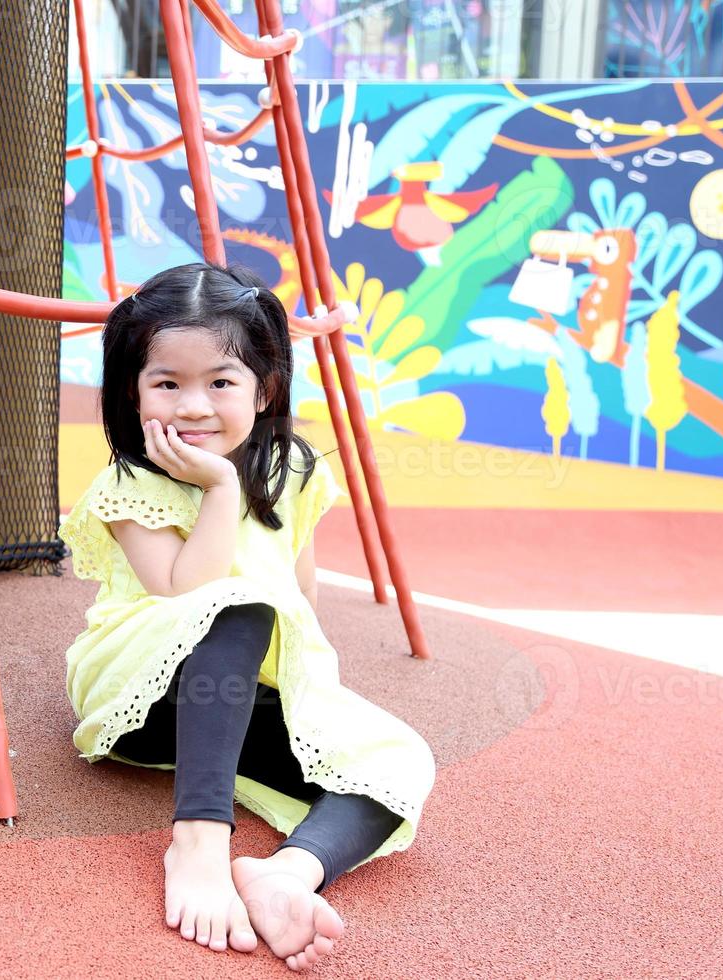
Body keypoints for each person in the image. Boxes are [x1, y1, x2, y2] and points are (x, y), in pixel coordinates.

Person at [57, 262, 435, 971]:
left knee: (395, 760)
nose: (193, 406)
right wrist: (223, 486)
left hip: (239, 696)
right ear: (132, 393)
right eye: (166, 383)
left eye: (220, 382)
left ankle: (289, 872)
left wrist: (311, 706)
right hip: (140, 692)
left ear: (264, 390)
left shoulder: (292, 468)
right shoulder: (130, 483)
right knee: (239, 604)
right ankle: (200, 837)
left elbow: (303, 593)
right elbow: (184, 594)